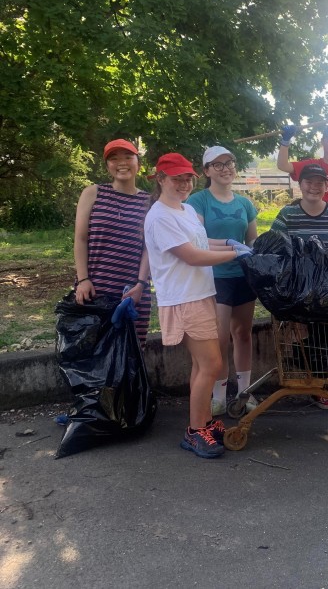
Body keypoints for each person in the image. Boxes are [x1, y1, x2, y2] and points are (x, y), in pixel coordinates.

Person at [144, 153, 252, 459]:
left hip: (201, 293)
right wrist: (237, 255)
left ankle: (204, 421)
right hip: (183, 298)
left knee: (202, 365)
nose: (183, 184)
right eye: (176, 178)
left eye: (187, 178)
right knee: (212, 364)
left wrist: (232, 244)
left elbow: (203, 244)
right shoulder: (160, 216)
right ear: (160, 179)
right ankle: (194, 432)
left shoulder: (186, 210)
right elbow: (192, 256)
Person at [269, 163, 328, 414]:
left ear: (327, 186)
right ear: (300, 184)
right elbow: (275, 247)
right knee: (303, 329)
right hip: (298, 289)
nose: (314, 187)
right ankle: (318, 382)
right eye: (309, 182)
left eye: (319, 183)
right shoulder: (287, 214)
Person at [187, 146, 259, 417]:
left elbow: (251, 240)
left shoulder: (244, 203)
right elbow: (197, 240)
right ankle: (217, 396)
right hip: (214, 277)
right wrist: (231, 245)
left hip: (243, 276)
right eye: (217, 165)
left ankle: (244, 393)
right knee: (218, 339)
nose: (225, 168)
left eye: (229, 163)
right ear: (206, 171)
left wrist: (260, 253)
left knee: (242, 334)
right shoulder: (198, 201)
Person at [73, 139, 152, 346]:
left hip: (132, 293)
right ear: (107, 165)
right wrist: (83, 280)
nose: (122, 163)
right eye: (114, 158)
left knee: (132, 355)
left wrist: (141, 286)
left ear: (138, 163)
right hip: (94, 288)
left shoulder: (149, 202)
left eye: (128, 157)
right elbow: (80, 239)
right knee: (92, 353)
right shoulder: (93, 193)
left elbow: (149, 248)